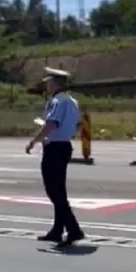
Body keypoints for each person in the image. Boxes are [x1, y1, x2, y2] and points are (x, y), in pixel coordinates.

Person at [25, 67, 85, 246]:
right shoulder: (72, 101)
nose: (46, 86)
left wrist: (33, 141)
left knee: (54, 191)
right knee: (59, 191)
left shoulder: (58, 101)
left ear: (55, 83)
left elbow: (51, 124)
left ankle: (73, 229)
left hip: (55, 148)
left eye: (48, 83)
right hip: (64, 145)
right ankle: (58, 230)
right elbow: (78, 123)